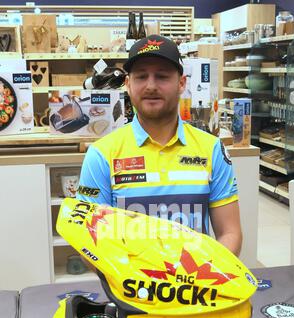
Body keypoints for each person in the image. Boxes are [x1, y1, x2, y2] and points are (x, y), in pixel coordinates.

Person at [77, 34, 242, 256]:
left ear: (181, 83)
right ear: (128, 84)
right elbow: (90, 240)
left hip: (196, 287)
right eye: (141, 76)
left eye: (162, 76)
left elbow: (230, 233)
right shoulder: (101, 154)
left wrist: (204, 278)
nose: (151, 86)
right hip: (130, 290)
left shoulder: (212, 149)